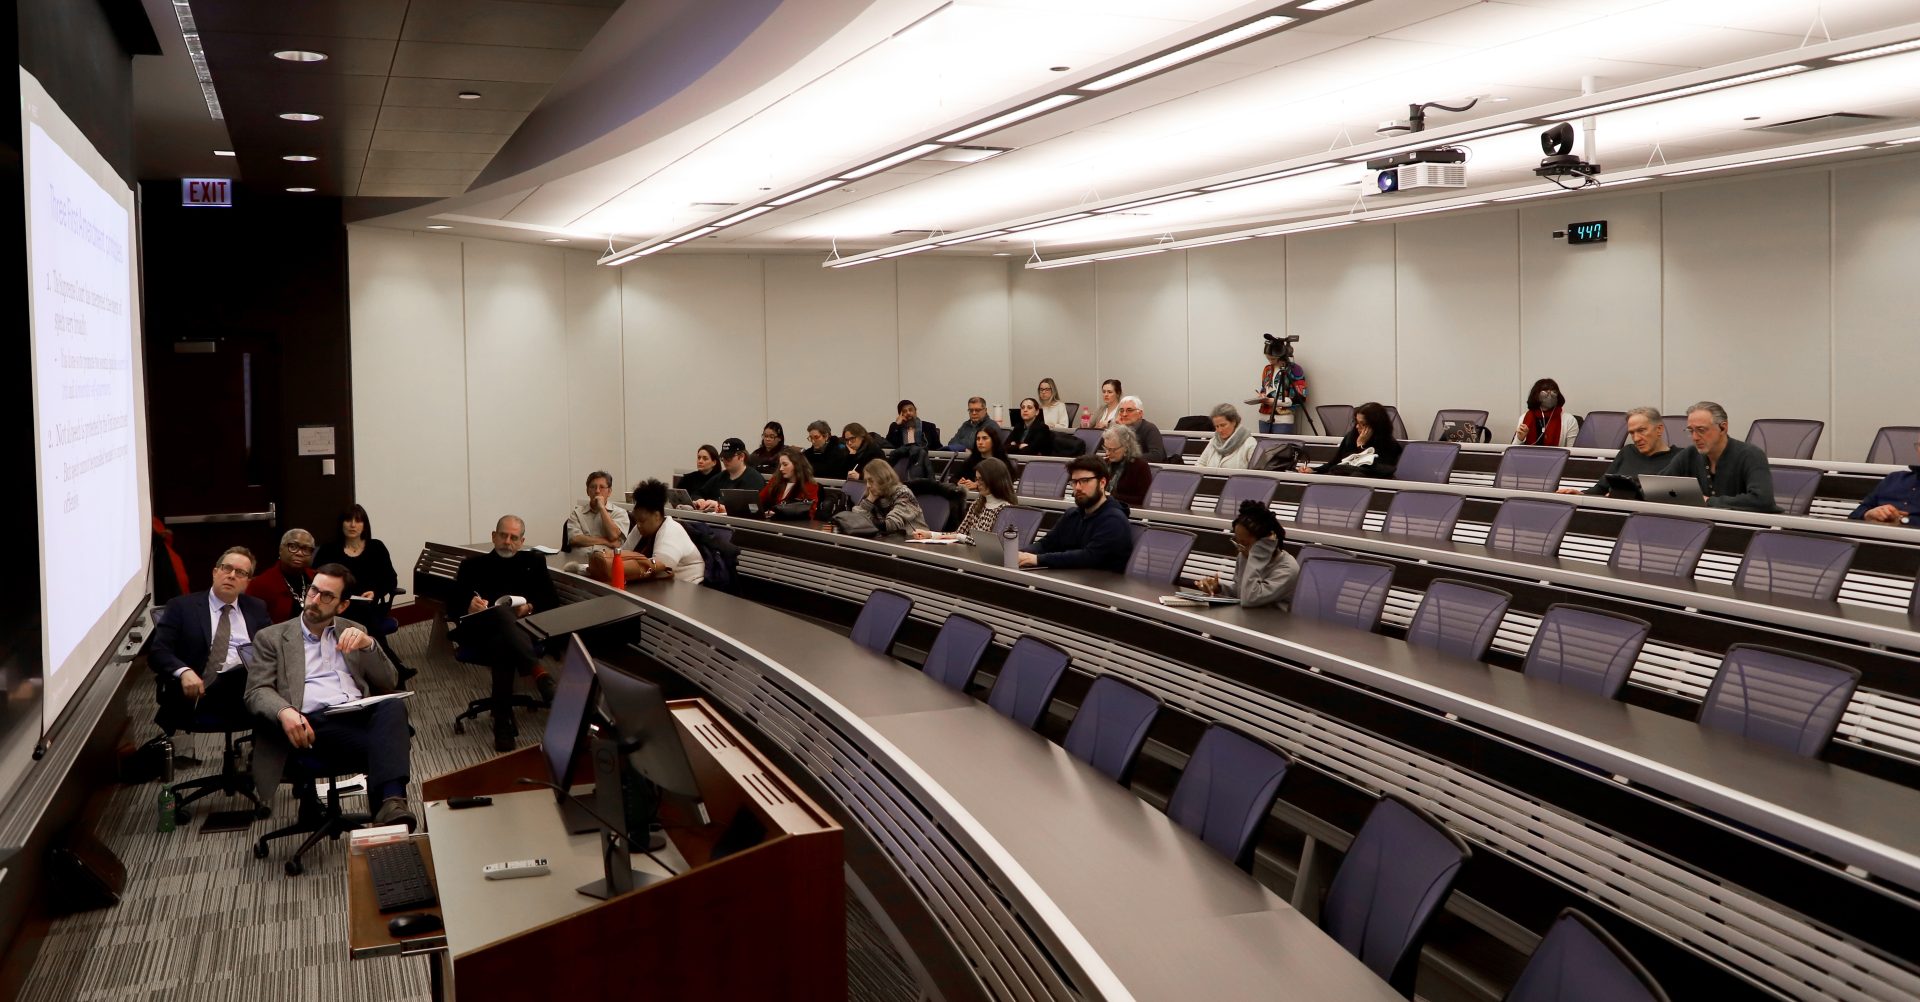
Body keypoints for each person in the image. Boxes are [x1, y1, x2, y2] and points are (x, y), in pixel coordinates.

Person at [245, 562, 416, 831]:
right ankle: (389, 812)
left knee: (393, 706)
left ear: (342, 605)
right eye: (314, 591)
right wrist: (284, 711)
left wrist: (369, 645)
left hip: (357, 715)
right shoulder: (273, 637)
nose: (314, 600)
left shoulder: (352, 628)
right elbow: (256, 691)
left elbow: (389, 681)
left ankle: (391, 804)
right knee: (392, 740)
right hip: (311, 724)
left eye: (327, 596)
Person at [453, 515, 561, 751]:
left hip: (519, 632)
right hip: (480, 630)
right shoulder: (473, 566)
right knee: (501, 615)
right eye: (503, 536)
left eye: (514, 538)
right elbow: (452, 605)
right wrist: (469, 604)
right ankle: (538, 673)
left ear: (522, 541)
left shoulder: (533, 562)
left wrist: (529, 606)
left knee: (503, 644)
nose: (507, 542)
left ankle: (502, 723)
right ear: (494, 536)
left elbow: (552, 600)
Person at [148, 545, 275, 731]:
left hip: (249, 688)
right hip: (203, 690)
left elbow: (272, 648)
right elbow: (158, 652)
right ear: (215, 572)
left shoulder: (256, 608)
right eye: (227, 568)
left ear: (247, 581)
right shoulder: (182, 607)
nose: (231, 575)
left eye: (240, 572)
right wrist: (184, 671)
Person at [1018, 456, 1134, 571]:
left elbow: (1089, 557)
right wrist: (1019, 554)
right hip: (1070, 580)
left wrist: (1038, 559)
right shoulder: (1072, 514)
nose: (1077, 487)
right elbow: (1045, 544)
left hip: (1100, 586)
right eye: (1074, 482)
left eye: (1085, 481)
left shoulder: (1114, 520)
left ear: (1102, 483)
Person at [1659, 401, 1777, 512]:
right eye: (1691, 430)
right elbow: (1659, 486)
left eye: (1701, 430)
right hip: (1704, 525)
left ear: (1723, 428)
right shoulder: (1690, 454)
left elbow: (1762, 500)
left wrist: (1709, 501)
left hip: (1743, 528)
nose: (1695, 437)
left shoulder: (1751, 455)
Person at [593, 480, 706, 584]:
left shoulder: (671, 532)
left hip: (688, 586)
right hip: (663, 586)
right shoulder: (641, 528)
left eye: (642, 521)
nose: (638, 525)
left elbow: (658, 570)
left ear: (657, 515)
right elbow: (623, 554)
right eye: (636, 520)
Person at [1192, 501, 1298, 608]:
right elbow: (1241, 592)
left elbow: (1249, 599)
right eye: (1237, 542)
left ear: (1265, 544)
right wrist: (1219, 589)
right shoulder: (1244, 556)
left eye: (1245, 544)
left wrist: (1257, 554)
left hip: (1271, 623)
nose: (1240, 549)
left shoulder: (1287, 569)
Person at [1560, 407, 1674, 496]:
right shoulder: (1628, 452)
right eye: (1632, 433)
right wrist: (1581, 494)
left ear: (1659, 429)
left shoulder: (1678, 458)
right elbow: (1601, 487)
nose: (1636, 438)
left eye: (1641, 431)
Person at [315, 504, 399, 603]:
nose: (353, 525)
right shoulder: (328, 549)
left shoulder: (377, 547)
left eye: (358, 521)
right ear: (341, 524)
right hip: (335, 605)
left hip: (367, 606)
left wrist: (375, 593)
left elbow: (391, 580)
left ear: (364, 526)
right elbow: (315, 578)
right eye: (348, 520)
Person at [917, 457, 1014, 541]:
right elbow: (959, 533)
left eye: (982, 479)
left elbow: (991, 544)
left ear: (994, 479)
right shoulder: (978, 504)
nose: (977, 483)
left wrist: (960, 537)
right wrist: (930, 535)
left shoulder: (1006, 509)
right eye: (977, 479)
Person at [1301, 401, 1402, 478]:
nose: (1358, 427)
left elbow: (1374, 469)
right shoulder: (1351, 437)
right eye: (1357, 422)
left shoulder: (1389, 445)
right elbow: (1334, 462)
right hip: (1341, 479)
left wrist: (1361, 447)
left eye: (1363, 424)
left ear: (1376, 426)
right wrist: (1313, 470)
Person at [247, 528, 318, 622]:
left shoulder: (317, 579)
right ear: (280, 549)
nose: (299, 553)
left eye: (306, 549)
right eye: (293, 547)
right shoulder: (260, 584)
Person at [1850, 436, 1920, 526]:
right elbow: (1854, 515)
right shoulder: (1894, 478)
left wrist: (1901, 520)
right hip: (1871, 536)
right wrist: (1868, 514)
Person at [562, 470, 631, 560]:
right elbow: (575, 539)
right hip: (578, 561)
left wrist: (602, 508)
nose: (597, 491)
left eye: (602, 487)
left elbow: (613, 535)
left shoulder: (620, 513)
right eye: (593, 487)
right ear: (587, 491)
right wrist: (606, 541)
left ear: (609, 491)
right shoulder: (577, 513)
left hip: (606, 563)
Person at [851, 459, 928, 535]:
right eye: (866, 481)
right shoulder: (875, 495)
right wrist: (869, 500)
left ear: (883, 479)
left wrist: (865, 524)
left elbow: (891, 524)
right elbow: (856, 518)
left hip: (914, 541)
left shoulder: (904, 494)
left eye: (871, 481)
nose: (868, 485)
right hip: (890, 540)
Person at [1248, 335, 1307, 434]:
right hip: (1264, 416)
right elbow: (1264, 388)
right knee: (1264, 448)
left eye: (1273, 359)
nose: (1270, 361)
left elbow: (1301, 397)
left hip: (1283, 418)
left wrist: (1275, 401)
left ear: (1282, 356)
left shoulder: (1295, 369)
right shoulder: (1267, 369)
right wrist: (1262, 395)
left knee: (1280, 448)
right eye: (1268, 358)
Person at [690, 437, 768, 511]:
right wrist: (699, 500)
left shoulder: (754, 479)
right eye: (723, 458)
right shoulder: (720, 477)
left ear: (741, 457)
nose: (724, 461)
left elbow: (751, 508)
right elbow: (698, 493)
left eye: (729, 458)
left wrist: (719, 505)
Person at [1513, 378, 1581, 446]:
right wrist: (1520, 439)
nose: (1550, 395)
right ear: (1536, 395)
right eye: (1545, 391)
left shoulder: (1569, 420)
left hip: (1556, 456)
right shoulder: (1524, 418)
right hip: (1529, 456)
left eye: (1553, 391)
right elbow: (1512, 451)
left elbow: (1574, 452)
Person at [757, 447, 820, 520]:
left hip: (793, 525)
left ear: (797, 465)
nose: (781, 468)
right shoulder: (775, 480)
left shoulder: (809, 485)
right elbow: (760, 499)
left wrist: (778, 514)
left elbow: (809, 514)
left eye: (785, 464)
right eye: (780, 465)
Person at [1101, 424, 1154, 508]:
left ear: (1126, 447)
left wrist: (1111, 496)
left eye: (1112, 450)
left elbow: (1143, 499)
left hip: (1127, 511)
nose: (1107, 453)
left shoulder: (1140, 466)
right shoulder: (1104, 463)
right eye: (1106, 448)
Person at [1197, 403, 1256, 468]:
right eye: (1217, 426)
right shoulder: (1213, 442)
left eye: (1223, 425)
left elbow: (1255, 474)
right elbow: (1199, 465)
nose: (1219, 430)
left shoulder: (1249, 443)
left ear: (1234, 422)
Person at [1115, 395, 1168, 463]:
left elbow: (1156, 455)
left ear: (1140, 413)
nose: (1124, 414)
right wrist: (1118, 428)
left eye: (1129, 410)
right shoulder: (1120, 428)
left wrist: (1128, 458)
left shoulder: (1150, 428)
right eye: (1121, 411)